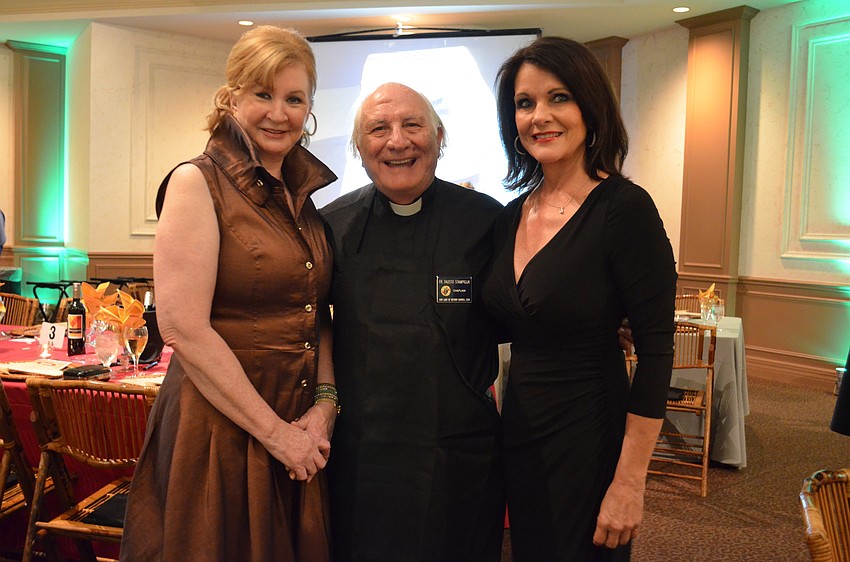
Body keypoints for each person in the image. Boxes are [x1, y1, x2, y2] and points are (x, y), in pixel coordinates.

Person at [121, 26, 338, 562]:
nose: (278, 112)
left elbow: (318, 313)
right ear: (232, 97)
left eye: (294, 98)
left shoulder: (302, 197)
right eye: (263, 94)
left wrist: (325, 408)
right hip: (222, 426)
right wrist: (276, 435)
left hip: (297, 424)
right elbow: (181, 328)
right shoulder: (196, 182)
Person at [482, 36, 677, 561]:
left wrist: (630, 483)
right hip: (521, 434)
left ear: (590, 106)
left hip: (590, 437)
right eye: (525, 103)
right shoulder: (510, 217)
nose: (539, 116)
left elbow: (657, 354)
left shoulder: (624, 209)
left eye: (558, 97)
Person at [320, 82, 506, 562]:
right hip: (363, 456)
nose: (397, 141)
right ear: (360, 149)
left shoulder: (489, 222)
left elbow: (530, 308)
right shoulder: (331, 224)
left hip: (457, 452)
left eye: (413, 125)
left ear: (439, 136)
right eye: (378, 129)